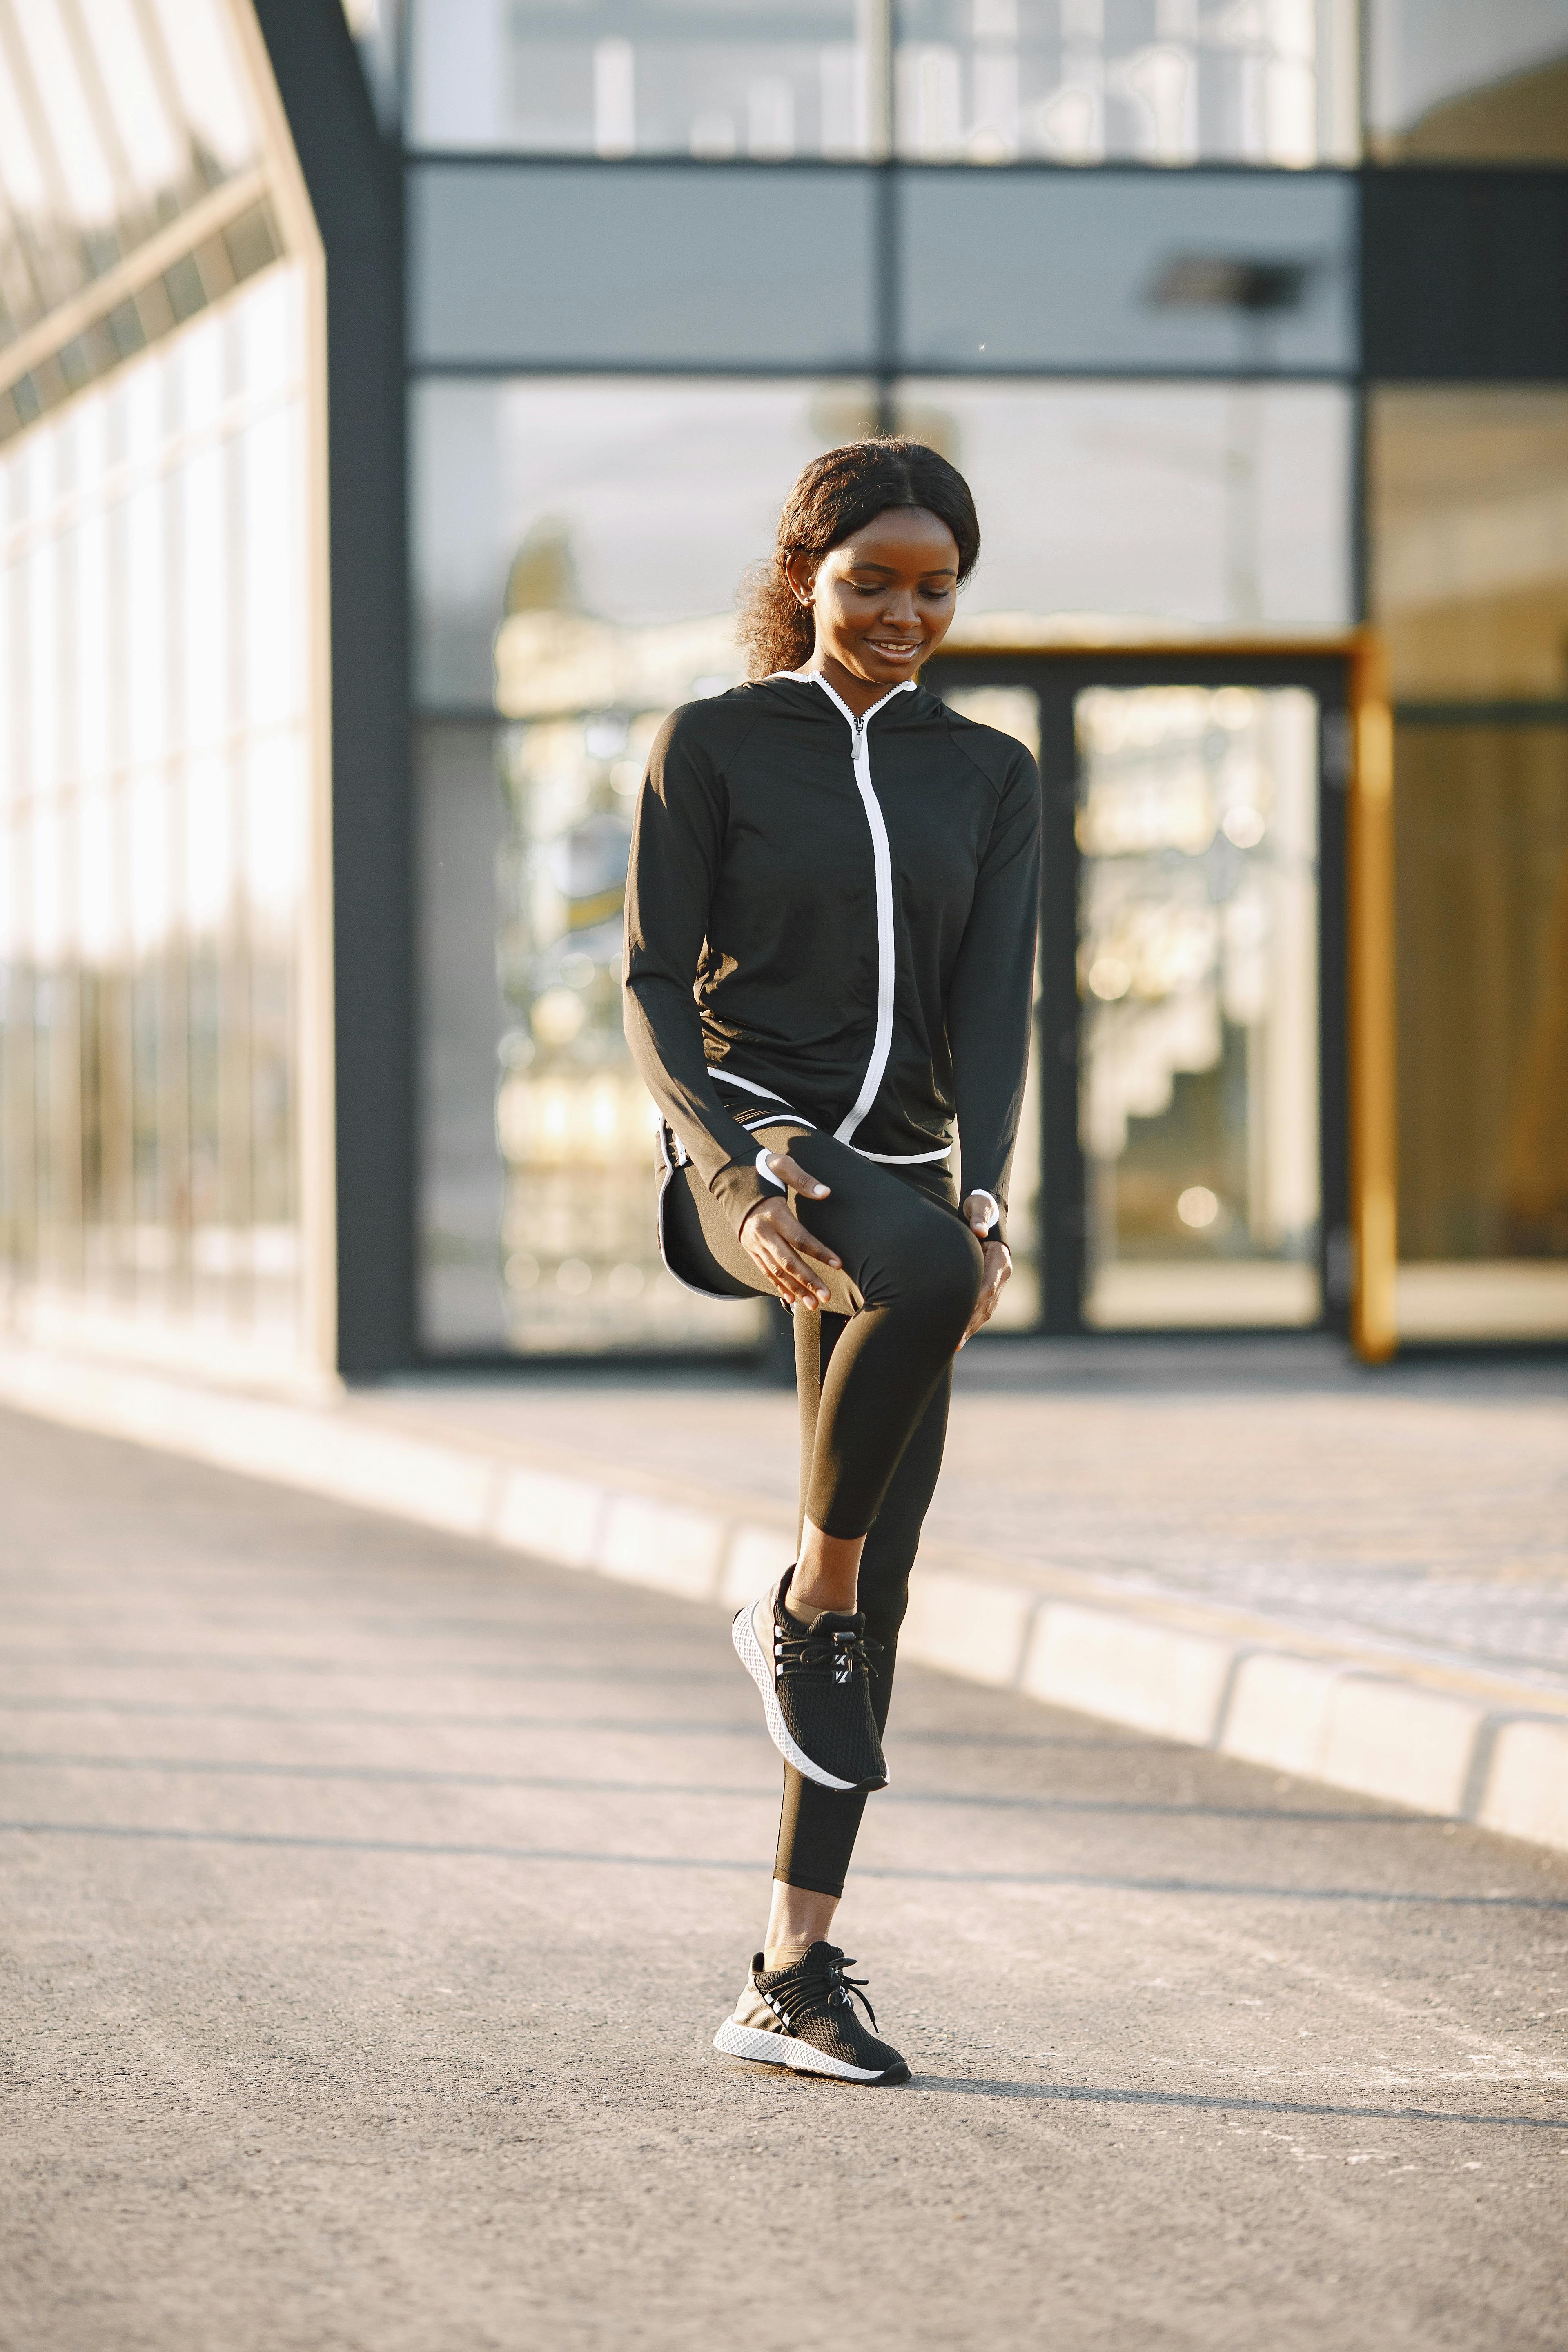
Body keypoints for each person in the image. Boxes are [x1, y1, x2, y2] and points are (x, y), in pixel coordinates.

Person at [623, 439, 1039, 2085]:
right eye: (872, 583)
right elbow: (656, 986)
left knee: (889, 1590)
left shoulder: (987, 773)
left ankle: (789, 1968)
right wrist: (733, 1162)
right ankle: (807, 1596)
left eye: (937, 590)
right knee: (921, 1283)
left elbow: (995, 1007)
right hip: (761, 1158)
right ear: (806, 575)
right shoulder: (715, 745)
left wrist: (988, 1190)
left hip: (917, 1177)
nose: (904, 616)